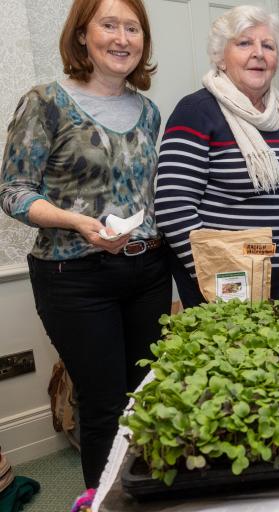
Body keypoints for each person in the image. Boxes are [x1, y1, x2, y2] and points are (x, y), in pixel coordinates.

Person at [0, 0, 169, 488]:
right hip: (74, 279)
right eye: (109, 25)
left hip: (147, 273)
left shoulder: (149, 111)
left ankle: (143, 494)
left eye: (132, 28)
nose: (122, 38)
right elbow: (12, 191)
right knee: (102, 406)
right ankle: (102, 500)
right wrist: (76, 221)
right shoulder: (45, 102)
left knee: (146, 397)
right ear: (81, 36)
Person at [155, 6, 279, 306]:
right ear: (221, 57)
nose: (258, 53)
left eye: (268, 46)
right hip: (224, 280)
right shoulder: (196, 111)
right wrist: (213, 273)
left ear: (277, 60)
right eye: (244, 43)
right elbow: (173, 207)